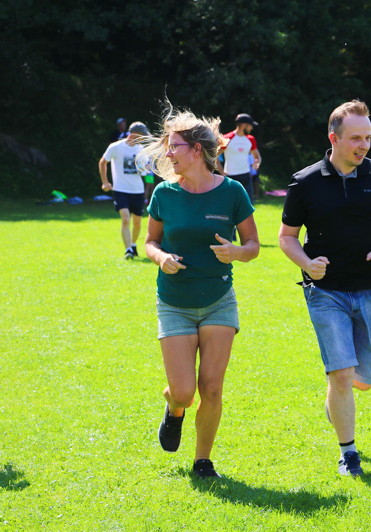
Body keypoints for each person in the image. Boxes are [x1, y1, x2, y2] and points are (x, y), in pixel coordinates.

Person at [279, 99, 371, 477]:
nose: (363, 145)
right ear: (333, 138)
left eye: (367, 138)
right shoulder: (305, 183)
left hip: (370, 289)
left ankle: (336, 400)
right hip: (325, 290)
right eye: (355, 138)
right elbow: (286, 237)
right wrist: (307, 263)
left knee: (362, 379)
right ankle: (348, 453)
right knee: (343, 374)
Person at [139, 105, 259, 478]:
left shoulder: (233, 192)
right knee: (184, 392)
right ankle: (174, 409)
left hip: (219, 300)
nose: (168, 154)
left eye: (174, 146)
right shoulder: (164, 193)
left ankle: (202, 460)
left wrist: (236, 252)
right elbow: (149, 242)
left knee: (211, 386)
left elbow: (253, 245)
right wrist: (161, 259)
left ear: (196, 151)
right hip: (173, 302)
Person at [99, 121, 150, 259]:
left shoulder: (141, 150)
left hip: (137, 190)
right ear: (134, 134)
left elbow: (146, 171)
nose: (144, 138)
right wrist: (105, 182)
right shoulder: (116, 147)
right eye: (142, 135)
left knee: (138, 222)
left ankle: (133, 244)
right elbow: (103, 162)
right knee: (126, 219)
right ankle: (128, 250)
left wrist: (149, 169)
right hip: (120, 190)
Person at [220, 113, 261, 203]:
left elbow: (257, 156)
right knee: (231, 206)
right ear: (243, 125)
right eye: (250, 126)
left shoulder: (250, 139)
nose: (252, 128)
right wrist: (222, 172)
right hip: (230, 177)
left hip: (246, 176)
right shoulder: (227, 138)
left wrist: (256, 162)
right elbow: (215, 157)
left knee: (248, 206)